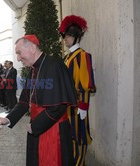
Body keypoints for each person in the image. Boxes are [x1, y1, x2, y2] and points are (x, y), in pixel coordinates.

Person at [0, 35, 77, 166]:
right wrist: (8, 119)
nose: (18, 58)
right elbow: (24, 102)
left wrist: (35, 126)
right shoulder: (33, 70)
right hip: (39, 128)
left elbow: (58, 107)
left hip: (53, 131)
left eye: (19, 53)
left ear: (32, 48)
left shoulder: (54, 66)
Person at [59, 15, 96, 166]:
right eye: (65, 36)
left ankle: (80, 163)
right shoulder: (67, 57)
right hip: (67, 105)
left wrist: (84, 107)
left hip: (78, 105)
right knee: (69, 136)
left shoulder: (82, 56)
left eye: (67, 36)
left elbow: (85, 84)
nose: (65, 39)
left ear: (75, 37)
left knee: (79, 136)